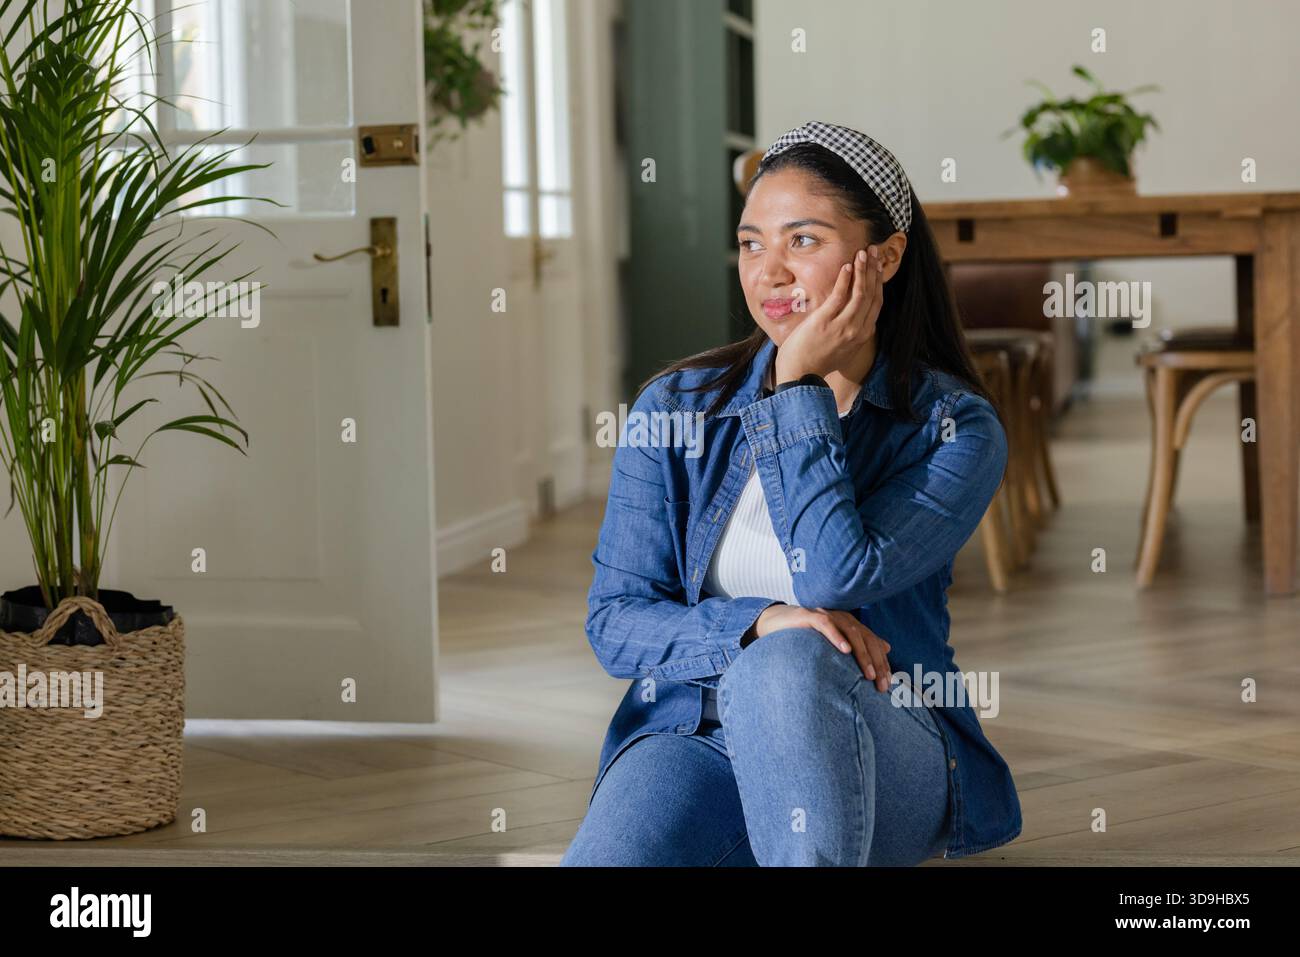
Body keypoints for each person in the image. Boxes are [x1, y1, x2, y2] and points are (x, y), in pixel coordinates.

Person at [561, 120, 1022, 866]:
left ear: (887, 256)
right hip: (694, 730)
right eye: (751, 243)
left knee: (793, 660)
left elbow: (835, 574)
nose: (768, 271)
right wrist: (760, 620)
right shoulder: (674, 408)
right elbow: (615, 623)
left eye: (802, 240)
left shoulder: (951, 427)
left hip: (879, 737)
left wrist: (797, 391)